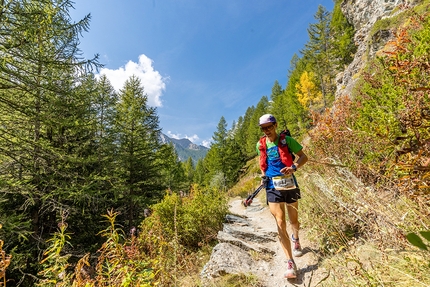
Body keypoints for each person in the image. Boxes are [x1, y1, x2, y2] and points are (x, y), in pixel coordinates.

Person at [256, 114, 308, 279]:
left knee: (294, 220)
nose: (267, 131)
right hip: (272, 186)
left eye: (269, 127)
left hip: (289, 184)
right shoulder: (261, 144)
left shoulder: (287, 140)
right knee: (280, 222)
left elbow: (303, 157)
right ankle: (290, 262)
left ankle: (296, 239)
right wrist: (264, 176)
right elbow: (263, 163)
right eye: (264, 128)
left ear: (275, 125)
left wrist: (293, 167)